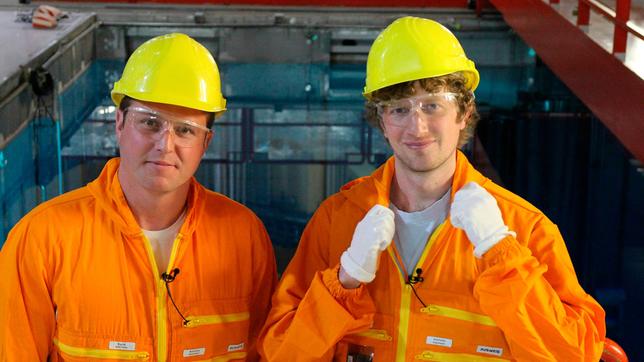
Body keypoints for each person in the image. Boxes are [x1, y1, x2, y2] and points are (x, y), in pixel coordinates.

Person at [258, 16, 605, 361]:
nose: (417, 126)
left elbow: (573, 355)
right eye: (399, 108)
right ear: (382, 121)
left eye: (432, 105)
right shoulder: (337, 220)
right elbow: (281, 353)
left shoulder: (526, 228)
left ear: (464, 112)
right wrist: (345, 280)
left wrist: (501, 253)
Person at [0, 33, 277, 361]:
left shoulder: (243, 237)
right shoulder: (43, 239)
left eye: (185, 130)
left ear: (206, 142)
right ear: (119, 122)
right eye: (150, 123)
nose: (165, 144)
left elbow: (267, 351)